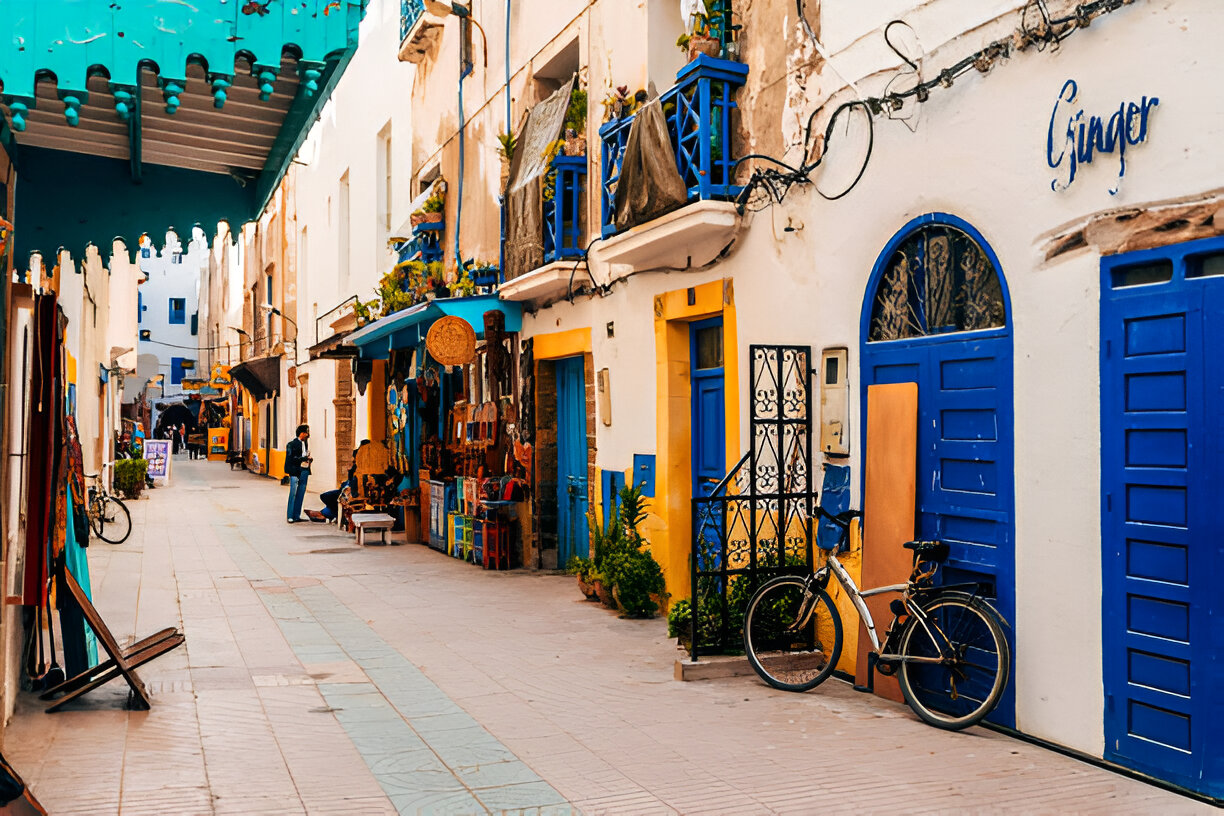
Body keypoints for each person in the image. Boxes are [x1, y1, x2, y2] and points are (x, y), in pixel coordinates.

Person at [284, 425, 312, 523]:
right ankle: (290, 515)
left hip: (304, 470)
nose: (308, 435)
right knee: (293, 493)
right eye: (306, 433)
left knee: (301, 493)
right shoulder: (291, 444)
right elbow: (291, 458)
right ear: (302, 433)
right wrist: (303, 459)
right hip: (295, 471)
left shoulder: (306, 444)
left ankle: (297, 515)